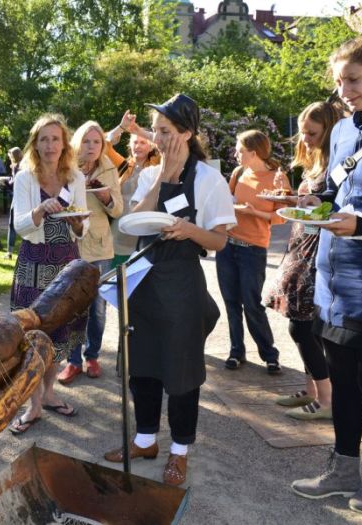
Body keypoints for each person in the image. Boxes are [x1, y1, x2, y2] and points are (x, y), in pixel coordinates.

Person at [102, 94, 235, 486]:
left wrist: (190, 230)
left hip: (181, 282)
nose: (157, 138)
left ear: (187, 133)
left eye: (166, 131)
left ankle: (180, 451)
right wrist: (163, 174)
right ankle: (145, 440)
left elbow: (220, 240)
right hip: (146, 279)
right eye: (155, 130)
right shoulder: (149, 173)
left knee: (180, 371)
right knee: (140, 365)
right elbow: (135, 222)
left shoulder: (210, 178)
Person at [292, 27, 362, 516]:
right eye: (338, 83)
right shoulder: (348, 128)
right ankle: (343, 467)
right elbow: (338, 191)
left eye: (353, 80)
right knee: (342, 379)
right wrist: (317, 201)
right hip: (332, 278)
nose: (343, 92)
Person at [8, 114, 88, 434]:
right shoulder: (25, 178)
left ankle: (50, 393)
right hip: (35, 262)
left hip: (67, 261)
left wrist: (78, 223)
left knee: (61, 332)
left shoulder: (76, 177)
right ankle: (34, 405)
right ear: (35, 144)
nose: (50, 145)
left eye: (56, 139)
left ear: (64, 143)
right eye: (44, 139)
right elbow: (20, 226)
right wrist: (41, 209)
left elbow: (83, 225)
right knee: (32, 333)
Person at [264, 101, 342, 420]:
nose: (305, 138)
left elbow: (334, 207)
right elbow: (311, 205)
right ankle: (312, 390)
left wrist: (307, 203)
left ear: (329, 130)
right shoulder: (314, 162)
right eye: (302, 132)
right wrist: (290, 198)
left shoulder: (337, 164)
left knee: (303, 327)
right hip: (300, 246)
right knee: (297, 323)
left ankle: (326, 400)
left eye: (312, 133)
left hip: (318, 251)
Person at [215, 130, 291, 374]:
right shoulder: (238, 173)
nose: (235, 153)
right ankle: (236, 351)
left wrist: (254, 213)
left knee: (252, 303)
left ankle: (269, 354)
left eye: (239, 150)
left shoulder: (277, 178)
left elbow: (282, 217)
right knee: (231, 302)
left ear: (253, 152)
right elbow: (226, 201)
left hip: (253, 250)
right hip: (227, 246)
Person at [58, 121, 122, 384]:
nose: (92, 147)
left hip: (99, 247)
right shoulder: (67, 168)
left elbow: (117, 211)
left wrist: (106, 196)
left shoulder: (109, 169)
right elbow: (57, 200)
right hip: (71, 245)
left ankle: (92, 355)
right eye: (87, 141)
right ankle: (72, 361)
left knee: (97, 307)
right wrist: (76, 182)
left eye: (97, 142)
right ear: (78, 143)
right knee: (72, 306)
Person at [105, 116, 160, 266]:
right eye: (135, 142)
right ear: (130, 145)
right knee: (118, 282)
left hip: (145, 234)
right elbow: (104, 145)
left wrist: (145, 133)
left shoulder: (158, 168)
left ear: (151, 146)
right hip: (120, 233)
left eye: (143, 142)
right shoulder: (123, 165)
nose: (138, 146)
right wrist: (121, 127)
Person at [4, 146, 23, 260]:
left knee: (12, 225)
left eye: (10, 156)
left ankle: (10, 252)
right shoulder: (23, 165)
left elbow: (14, 184)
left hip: (17, 199)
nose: (9, 158)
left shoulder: (17, 167)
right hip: (21, 198)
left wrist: (5, 183)